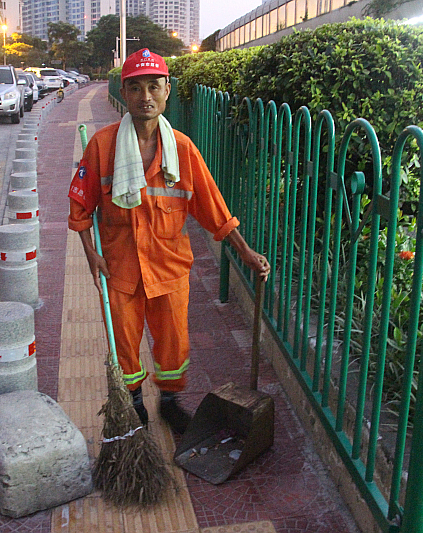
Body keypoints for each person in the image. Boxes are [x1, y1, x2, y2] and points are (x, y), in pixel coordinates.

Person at [67, 48, 270, 435]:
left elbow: (213, 207)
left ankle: (171, 402)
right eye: (136, 87)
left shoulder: (183, 149)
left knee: (173, 345)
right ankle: (135, 405)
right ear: (124, 93)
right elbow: (80, 208)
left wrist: (244, 250)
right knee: (124, 345)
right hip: (120, 267)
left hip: (169, 267)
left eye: (153, 86)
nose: (145, 96)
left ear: (167, 91)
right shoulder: (102, 147)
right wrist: (90, 254)